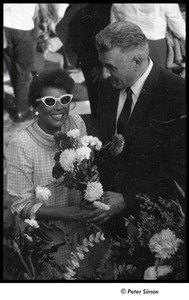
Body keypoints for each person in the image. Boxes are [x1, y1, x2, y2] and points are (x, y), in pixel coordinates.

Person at [83, 21, 186, 229]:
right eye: (104, 65)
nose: (105, 73)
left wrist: (127, 198)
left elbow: (179, 170)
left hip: (158, 222)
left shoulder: (176, 93)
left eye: (111, 67)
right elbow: (106, 143)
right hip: (110, 217)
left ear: (137, 61)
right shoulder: (109, 86)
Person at [5, 69, 100, 280]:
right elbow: (20, 205)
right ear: (35, 105)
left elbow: (86, 164)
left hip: (84, 230)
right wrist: (72, 212)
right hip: (47, 240)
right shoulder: (21, 145)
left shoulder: (76, 124)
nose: (59, 107)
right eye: (49, 101)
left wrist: (92, 176)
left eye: (64, 99)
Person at [56, 3, 112, 119]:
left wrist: (77, 53)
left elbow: (61, 28)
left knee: (95, 93)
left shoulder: (78, 7)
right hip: (101, 59)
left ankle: (98, 121)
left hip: (89, 57)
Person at [110, 3, 186, 69]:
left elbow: (114, 27)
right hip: (155, 46)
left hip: (126, 45)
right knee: (156, 81)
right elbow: (180, 32)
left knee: (129, 81)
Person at [3, 4, 39, 122]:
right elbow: (39, 11)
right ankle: (22, 111)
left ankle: (20, 103)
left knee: (13, 68)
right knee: (23, 72)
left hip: (6, 28)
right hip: (24, 29)